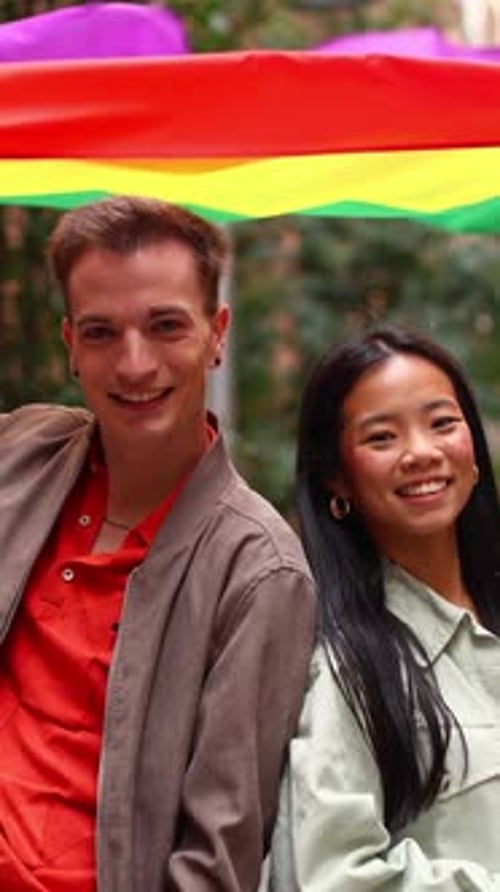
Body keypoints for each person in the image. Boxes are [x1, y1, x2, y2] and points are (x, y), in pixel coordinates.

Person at [0, 195, 316, 892]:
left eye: (165, 325)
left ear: (217, 332)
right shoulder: (20, 454)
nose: (134, 364)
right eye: (102, 332)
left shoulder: (257, 570)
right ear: (70, 347)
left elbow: (217, 855)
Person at [270, 327, 500, 891]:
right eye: (382, 437)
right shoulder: (345, 669)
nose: (422, 452)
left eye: (442, 423)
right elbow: (332, 876)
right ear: (337, 477)